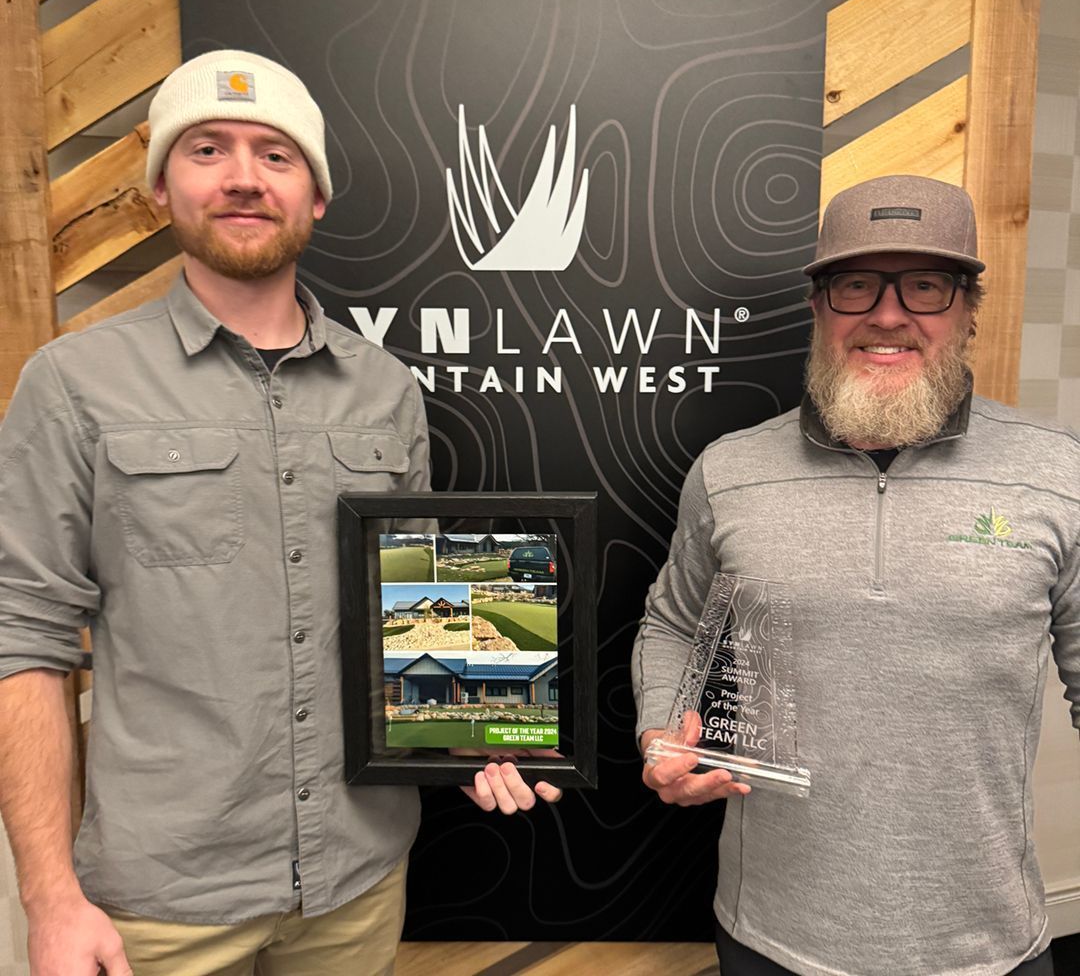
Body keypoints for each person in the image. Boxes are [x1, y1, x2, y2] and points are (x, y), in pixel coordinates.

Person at [0, 49, 558, 976]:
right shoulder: (72, 385)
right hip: (163, 898)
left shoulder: (385, 389)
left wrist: (479, 733)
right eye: (208, 149)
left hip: (357, 877)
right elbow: (25, 639)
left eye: (276, 154)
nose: (244, 178)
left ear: (316, 195)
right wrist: (50, 898)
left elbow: (416, 609)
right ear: (160, 191)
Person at [633, 175, 1079, 976]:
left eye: (926, 285)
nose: (887, 313)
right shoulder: (730, 471)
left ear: (968, 308)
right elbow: (672, 622)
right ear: (818, 305)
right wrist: (662, 729)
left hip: (987, 945)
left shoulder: (1058, 474)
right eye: (855, 284)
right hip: (768, 936)